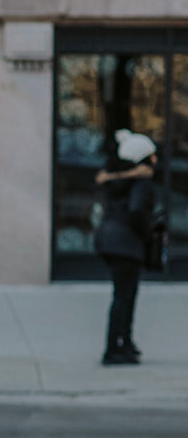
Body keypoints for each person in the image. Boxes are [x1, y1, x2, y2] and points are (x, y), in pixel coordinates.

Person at [93, 129, 158, 365]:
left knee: (122, 295)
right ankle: (114, 348)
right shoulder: (141, 183)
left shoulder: (115, 181)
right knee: (125, 297)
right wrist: (147, 233)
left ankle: (124, 344)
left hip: (108, 240)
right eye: (152, 155)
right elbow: (137, 211)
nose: (155, 160)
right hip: (126, 243)